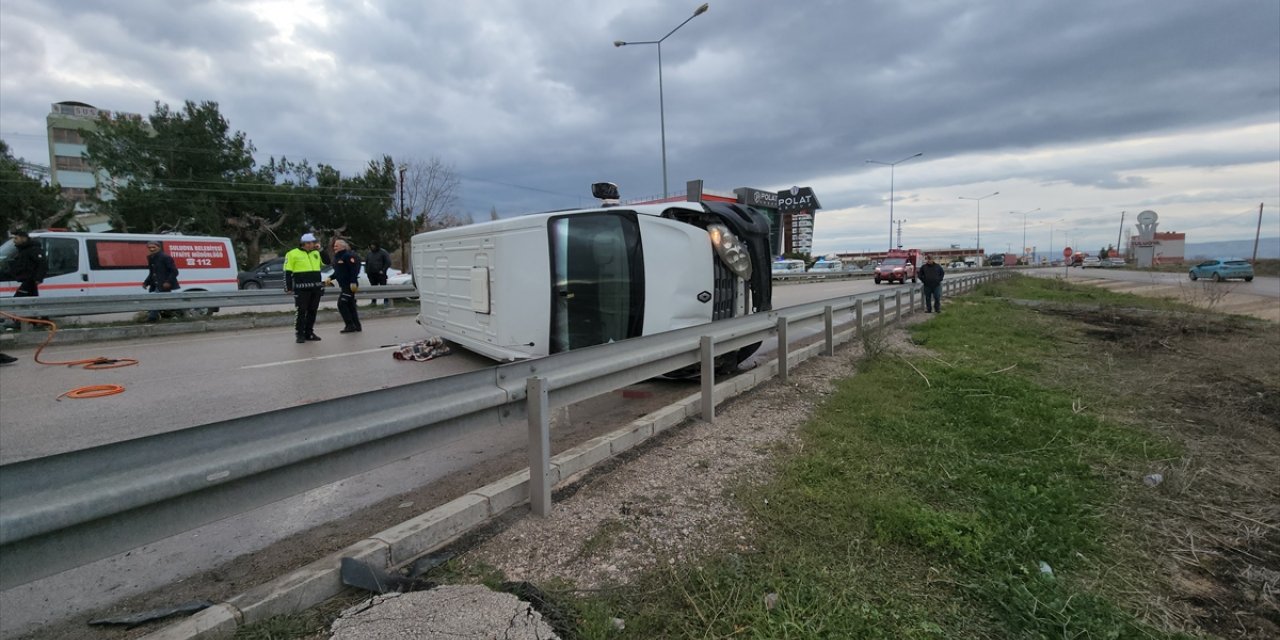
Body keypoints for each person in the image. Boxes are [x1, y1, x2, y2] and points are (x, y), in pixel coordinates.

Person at [285, 233, 326, 344]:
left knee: (313, 311)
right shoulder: (292, 254)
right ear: (305, 244)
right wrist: (288, 287)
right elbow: (287, 272)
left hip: (316, 288)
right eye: (311, 243)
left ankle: (309, 332)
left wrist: (321, 250)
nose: (313, 244)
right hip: (301, 289)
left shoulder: (316, 253)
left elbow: (327, 262)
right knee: (301, 311)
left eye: (314, 242)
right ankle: (300, 334)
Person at [141, 240, 181, 323]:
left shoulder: (165, 257)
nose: (151, 249)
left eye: (153, 247)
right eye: (149, 248)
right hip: (155, 284)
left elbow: (174, 271)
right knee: (156, 301)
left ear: (158, 247)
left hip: (163, 284)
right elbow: (152, 272)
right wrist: (146, 282)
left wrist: (168, 282)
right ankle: (169, 315)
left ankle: (151, 319)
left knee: (156, 301)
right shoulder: (151, 258)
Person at [330, 238, 363, 333]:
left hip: (350, 285)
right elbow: (338, 272)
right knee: (350, 305)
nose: (334, 247)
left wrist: (353, 282)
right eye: (334, 246)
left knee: (342, 304)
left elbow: (354, 269)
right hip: (343, 285)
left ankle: (350, 325)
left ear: (343, 246)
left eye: (337, 245)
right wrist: (330, 278)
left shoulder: (348, 256)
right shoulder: (338, 257)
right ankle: (356, 326)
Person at [8, 230, 46, 298]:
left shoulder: (33, 249)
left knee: (17, 300)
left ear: (23, 238)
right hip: (24, 280)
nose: (14, 241)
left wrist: (38, 278)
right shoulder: (22, 250)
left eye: (16, 238)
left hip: (30, 281)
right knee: (31, 300)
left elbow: (42, 263)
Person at [363, 241, 392, 307]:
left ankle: (386, 301)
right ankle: (373, 302)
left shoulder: (383, 252)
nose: (372, 246)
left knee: (383, 288)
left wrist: (383, 270)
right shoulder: (369, 253)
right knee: (373, 289)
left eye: (373, 245)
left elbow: (388, 262)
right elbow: (366, 262)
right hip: (371, 274)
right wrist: (367, 271)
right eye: (371, 245)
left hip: (381, 274)